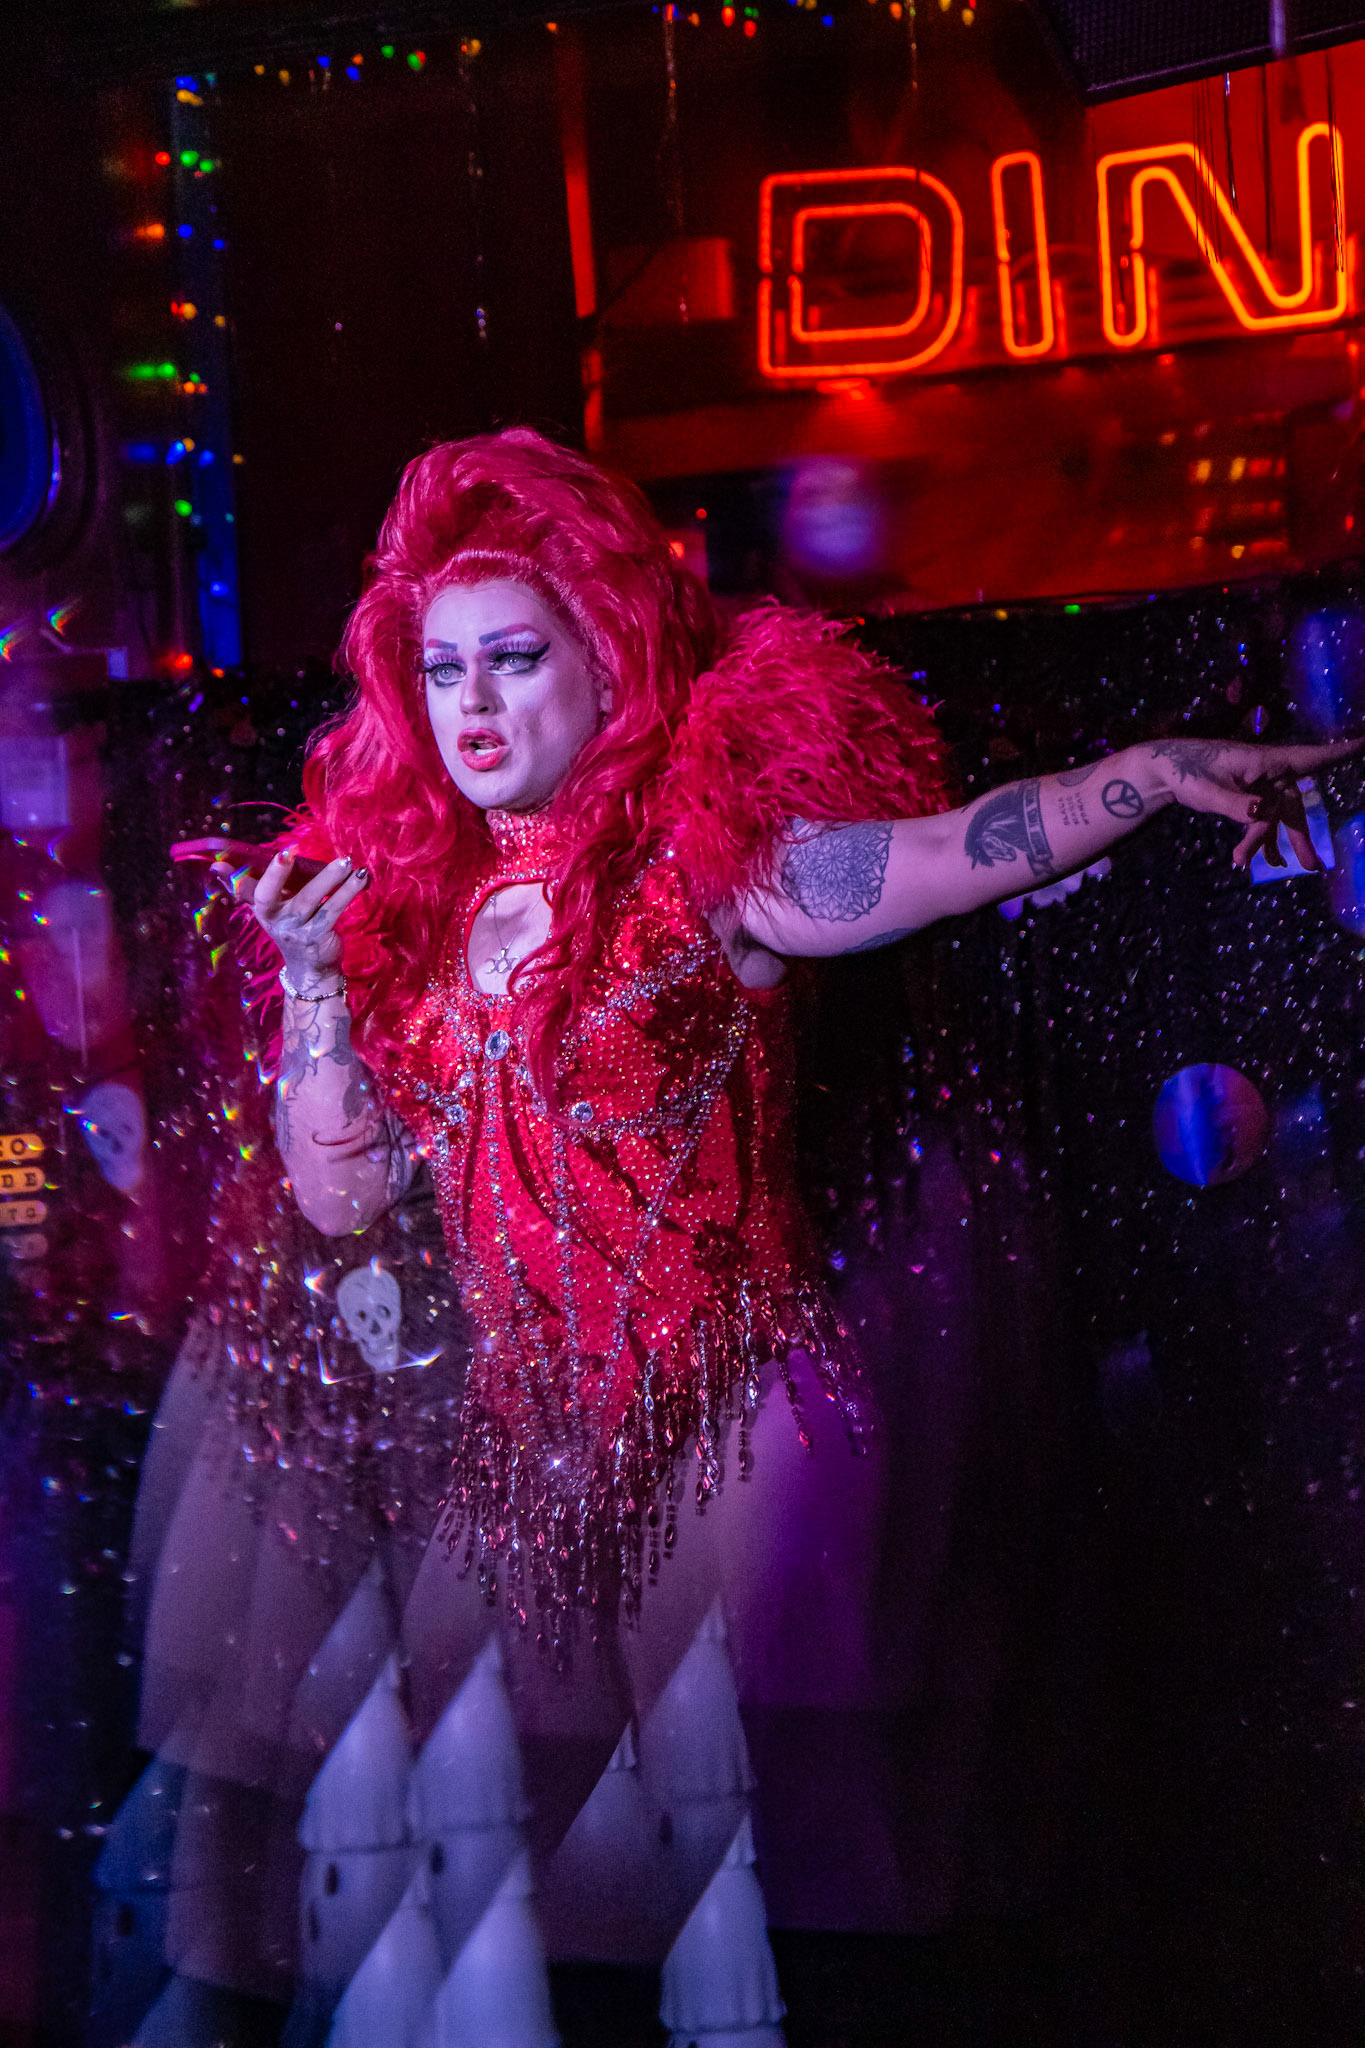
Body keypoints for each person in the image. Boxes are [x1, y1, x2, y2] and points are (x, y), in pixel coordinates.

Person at [176, 426, 1355, 2007]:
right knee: (517, 1895)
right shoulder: (410, 923)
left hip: (731, 1408)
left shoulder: (711, 877)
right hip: (521, 1436)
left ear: (605, 657)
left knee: (746, 1872)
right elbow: (339, 1198)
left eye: (514, 658)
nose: (471, 703)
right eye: (442, 668)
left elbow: (951, 856)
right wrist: (317, 993)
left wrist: (1142, 776)